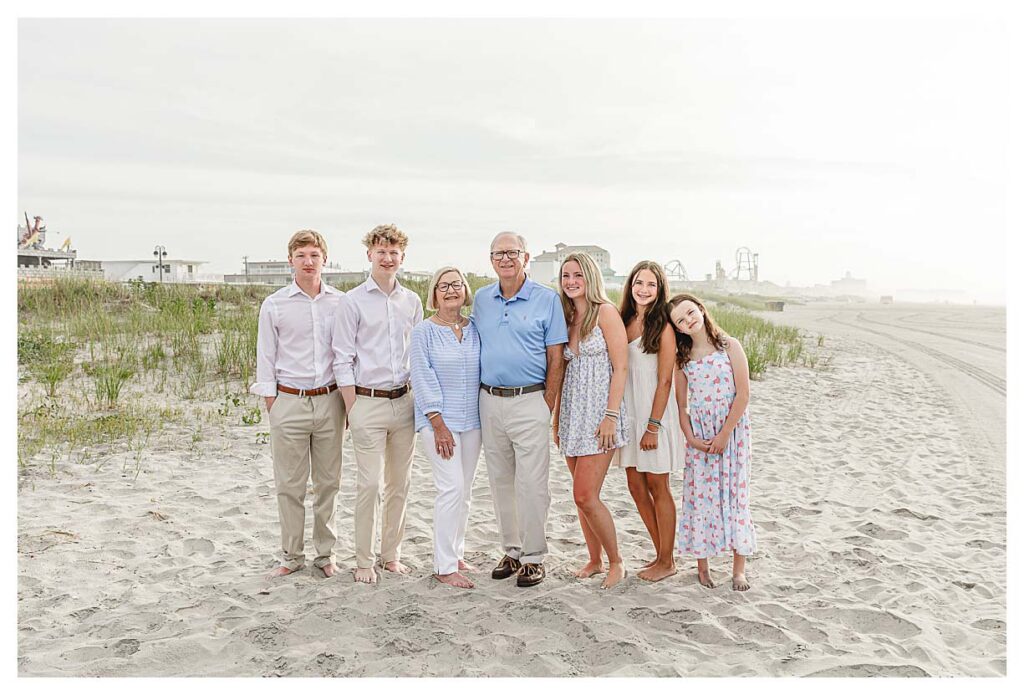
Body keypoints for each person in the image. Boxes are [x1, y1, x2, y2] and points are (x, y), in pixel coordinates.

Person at [472, 231, 567, 588]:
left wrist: (548, 403)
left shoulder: (546, 299)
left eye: (513, 253)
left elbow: (556, 355)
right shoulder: (482, 298)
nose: (505, 259)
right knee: (501, 482)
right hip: (489, 400)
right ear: (491, 259)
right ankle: (512, 551)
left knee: (532, 483)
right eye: (499, 254)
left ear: (526, 258)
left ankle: (533, 556)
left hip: (531, 399)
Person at [250, 230, 346, 579]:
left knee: (328, 483)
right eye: (302, 255)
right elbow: (266, 357)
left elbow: (345, 354)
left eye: (315, 255)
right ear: (290, 259)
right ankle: (292, 556)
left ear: (324, 260)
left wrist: (346, 403)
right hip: (289, 401)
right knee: (289, 485)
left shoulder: (340, 302)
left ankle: (326, 555)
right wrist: (273, 404)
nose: (308, 262)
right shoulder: (274, 304)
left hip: (330, 400)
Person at [332, 224, 423, 584]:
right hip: (366, 402)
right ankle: (364, 560)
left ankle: (391, 555)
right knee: (369, 484)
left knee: (399, 484)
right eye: (381, 251)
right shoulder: (351, 301)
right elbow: (342, 358)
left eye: (394, 252)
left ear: (402, 257)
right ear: (369, 253)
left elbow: (417, 355)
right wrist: (352, 407)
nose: (387, 258)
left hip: (404, 402)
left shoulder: (411, 301)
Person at [668, 293, 756, 591]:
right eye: (680, 320)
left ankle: (739, 570)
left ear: (701, 311)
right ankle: (703, 566)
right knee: (701, 497)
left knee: (735, 494)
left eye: (690, 313)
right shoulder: (683, 360)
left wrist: (724, 435)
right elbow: (681, 407)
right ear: (677, 328)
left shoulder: (729, 346)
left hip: (732, 432)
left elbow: (743, 394)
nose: (688, 320)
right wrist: (691, 437)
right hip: (701, 435)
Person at [555, 252, 630, 589]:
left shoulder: (606, 313)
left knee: (587, 494)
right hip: (572, 412)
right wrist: (556, 419)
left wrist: (610, 416)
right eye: (566, 275)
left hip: (601, 413)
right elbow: (563, 369)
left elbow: (621, 367)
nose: (571, 282)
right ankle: (594, 559)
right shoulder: (567, 316)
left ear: (590, 278)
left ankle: (616, 562)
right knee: (578, 495)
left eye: (578, 276)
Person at [409, 266, 481, 589]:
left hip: (473, 422)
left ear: (465, 290)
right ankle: (443, 565)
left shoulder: (475, 328)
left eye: (456, 284)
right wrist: (438, 424)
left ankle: (457, 553)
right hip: (439, 423)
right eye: (443, 285)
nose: (451, 290)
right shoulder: (423, 332)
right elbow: (422, 379)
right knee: (450, 487)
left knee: (465, 491)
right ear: (434, 293)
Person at [616, 261, 683, 582]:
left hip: (653, 415)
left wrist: (653, 426)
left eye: (651, 285)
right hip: (628, 413)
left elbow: (665, 380)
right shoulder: (623, 320)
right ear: (631, 286)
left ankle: (667, 561)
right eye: (639, 283)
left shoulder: (664, 327)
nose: (643, 289)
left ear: (660, 290)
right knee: (634, 484)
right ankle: (661, 552)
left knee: (658, 485)